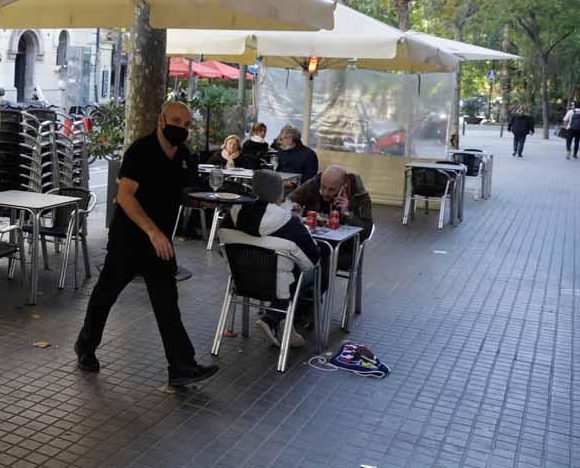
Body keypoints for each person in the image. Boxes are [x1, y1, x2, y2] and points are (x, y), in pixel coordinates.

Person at [74, 102, 219, 388]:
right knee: (106, 295)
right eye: (176, 120)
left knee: (168, 305)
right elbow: (125, 197)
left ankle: (181, 366)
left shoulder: (185, 157)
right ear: (161, 119)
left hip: (160, 244)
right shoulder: (140, 151)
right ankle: (85, 346)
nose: (182, 128)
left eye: (187, 124)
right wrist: (152, 231)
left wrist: (217, 201)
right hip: (130, 239)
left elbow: (191, 194)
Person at [226, 170, 326, 348]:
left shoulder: (232, 213)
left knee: (286, 267)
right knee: (308, 271)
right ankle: (274, 318)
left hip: (242, 280)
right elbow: (313, 257)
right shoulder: (289, 221)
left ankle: (280, 323)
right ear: (279, 192)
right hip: (278, 287)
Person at [287, 165, 374, 241]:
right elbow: (288, 201)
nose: (325, 193)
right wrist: (293, 207)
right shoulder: (314, 183)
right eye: (323, 187)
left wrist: (348, 214)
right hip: (311, 238)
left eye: (331, 189)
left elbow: (366, 232)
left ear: (344, 186)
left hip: (344, 245)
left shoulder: (359, 195)